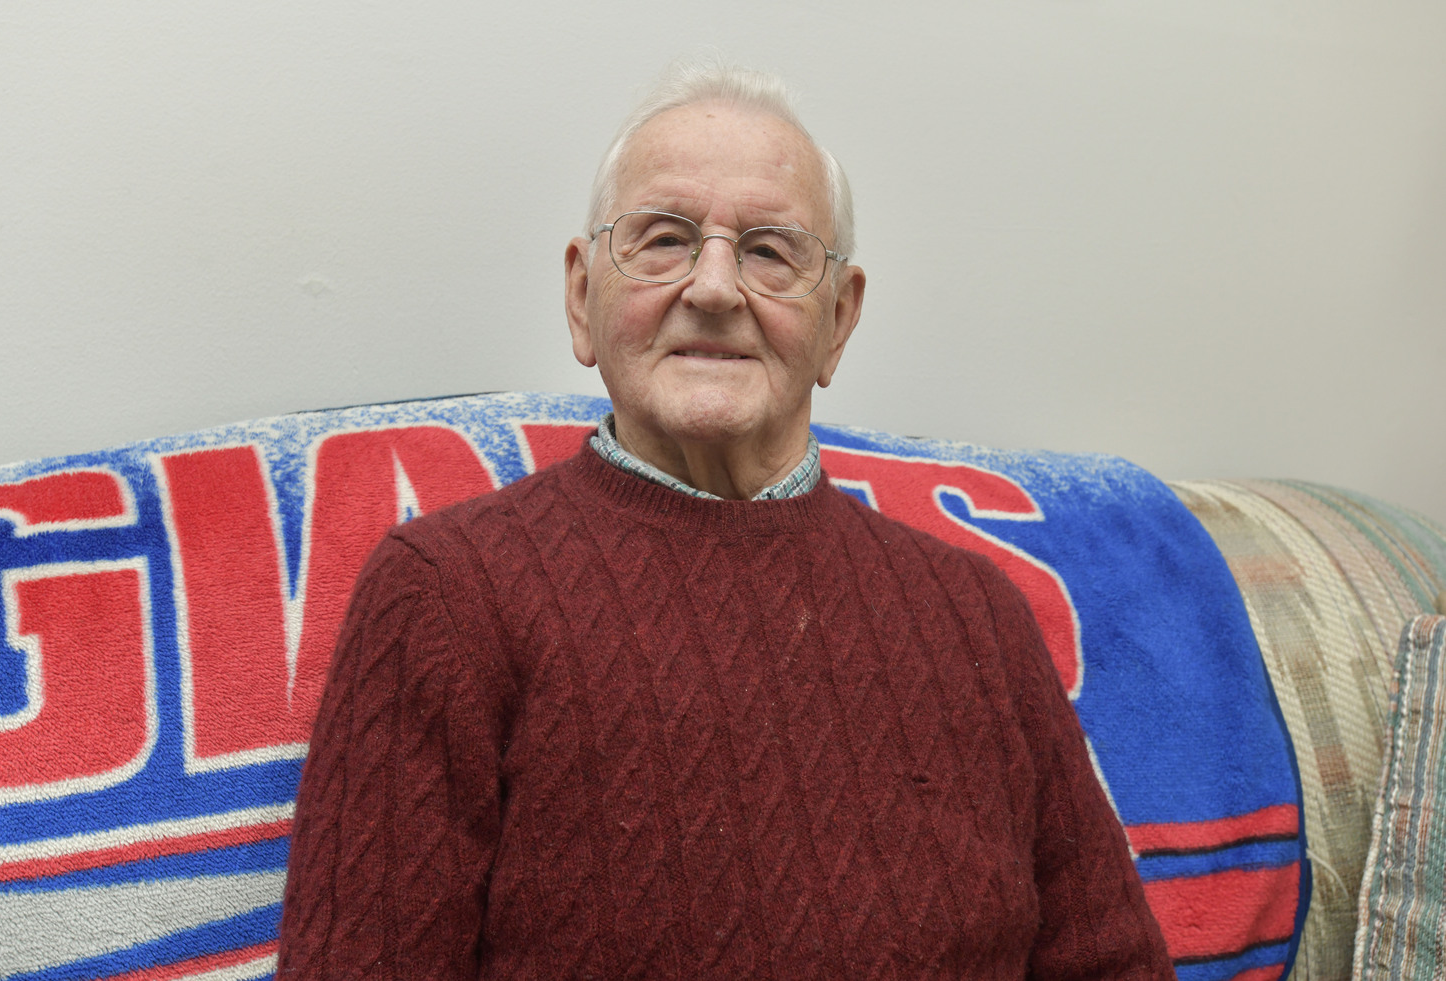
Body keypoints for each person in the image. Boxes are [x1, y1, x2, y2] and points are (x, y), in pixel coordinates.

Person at [276, 62, 1176, 979]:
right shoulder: (445, 595)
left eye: (770, 251)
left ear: (839, 320)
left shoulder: (976, 612)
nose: (713, 287)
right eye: (662, 240)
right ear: (581, 296)